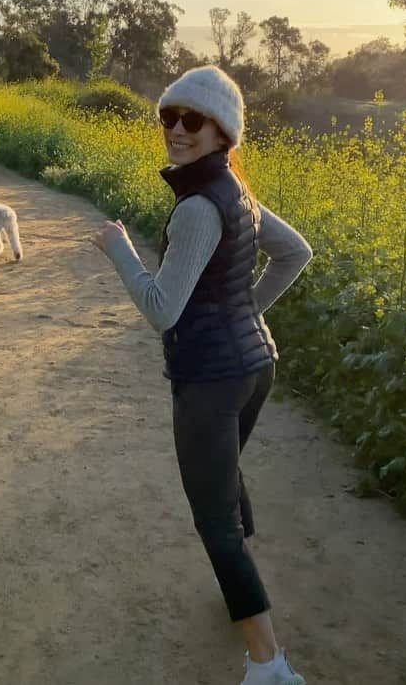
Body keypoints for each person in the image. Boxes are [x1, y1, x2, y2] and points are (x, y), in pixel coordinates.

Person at [91, 66, 312, 685]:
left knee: (213, 520)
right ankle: (239, 583)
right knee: (226, 479)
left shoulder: (196, 208)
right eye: (168, 116)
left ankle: (270, 666)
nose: (177, 130)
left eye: (193, 120)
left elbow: (162, 309)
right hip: (254, 366)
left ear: (222, 132)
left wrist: (120, 252)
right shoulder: (237, 192)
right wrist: (241, 316)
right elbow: (296, 253)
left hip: (212, 380)